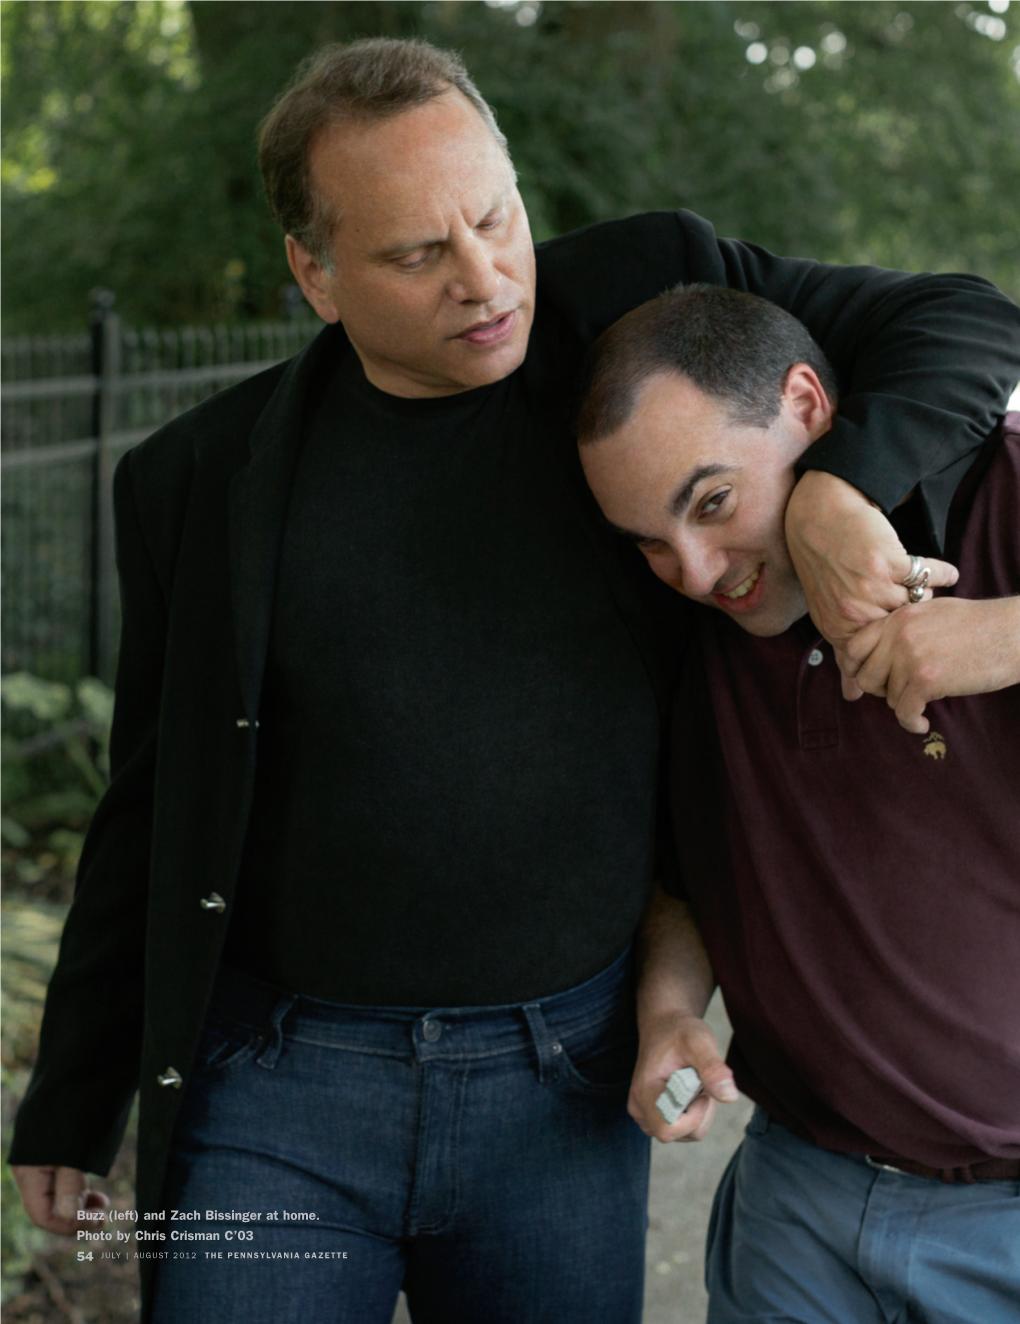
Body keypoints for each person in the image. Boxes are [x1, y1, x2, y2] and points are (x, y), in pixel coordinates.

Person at [8, 35, 1020, 1324]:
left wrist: (836, 491)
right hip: (276, 1084)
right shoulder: (194, 484)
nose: (485, 279)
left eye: (495, 217)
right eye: (416, 254)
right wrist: (75, 1087)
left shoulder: (647, 293)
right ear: (313, 274)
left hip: (563, 1081)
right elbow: (153, 800)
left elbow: (966, 318)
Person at [577, 283, 1020, 1324]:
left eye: (713, 502)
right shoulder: (687, 630)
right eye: (649, 539)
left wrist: (1004, 634)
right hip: (798, 1212)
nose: (695, 571)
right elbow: (690, 872)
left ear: (811, 406)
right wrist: (671, 1012)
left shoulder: (1000, 493)